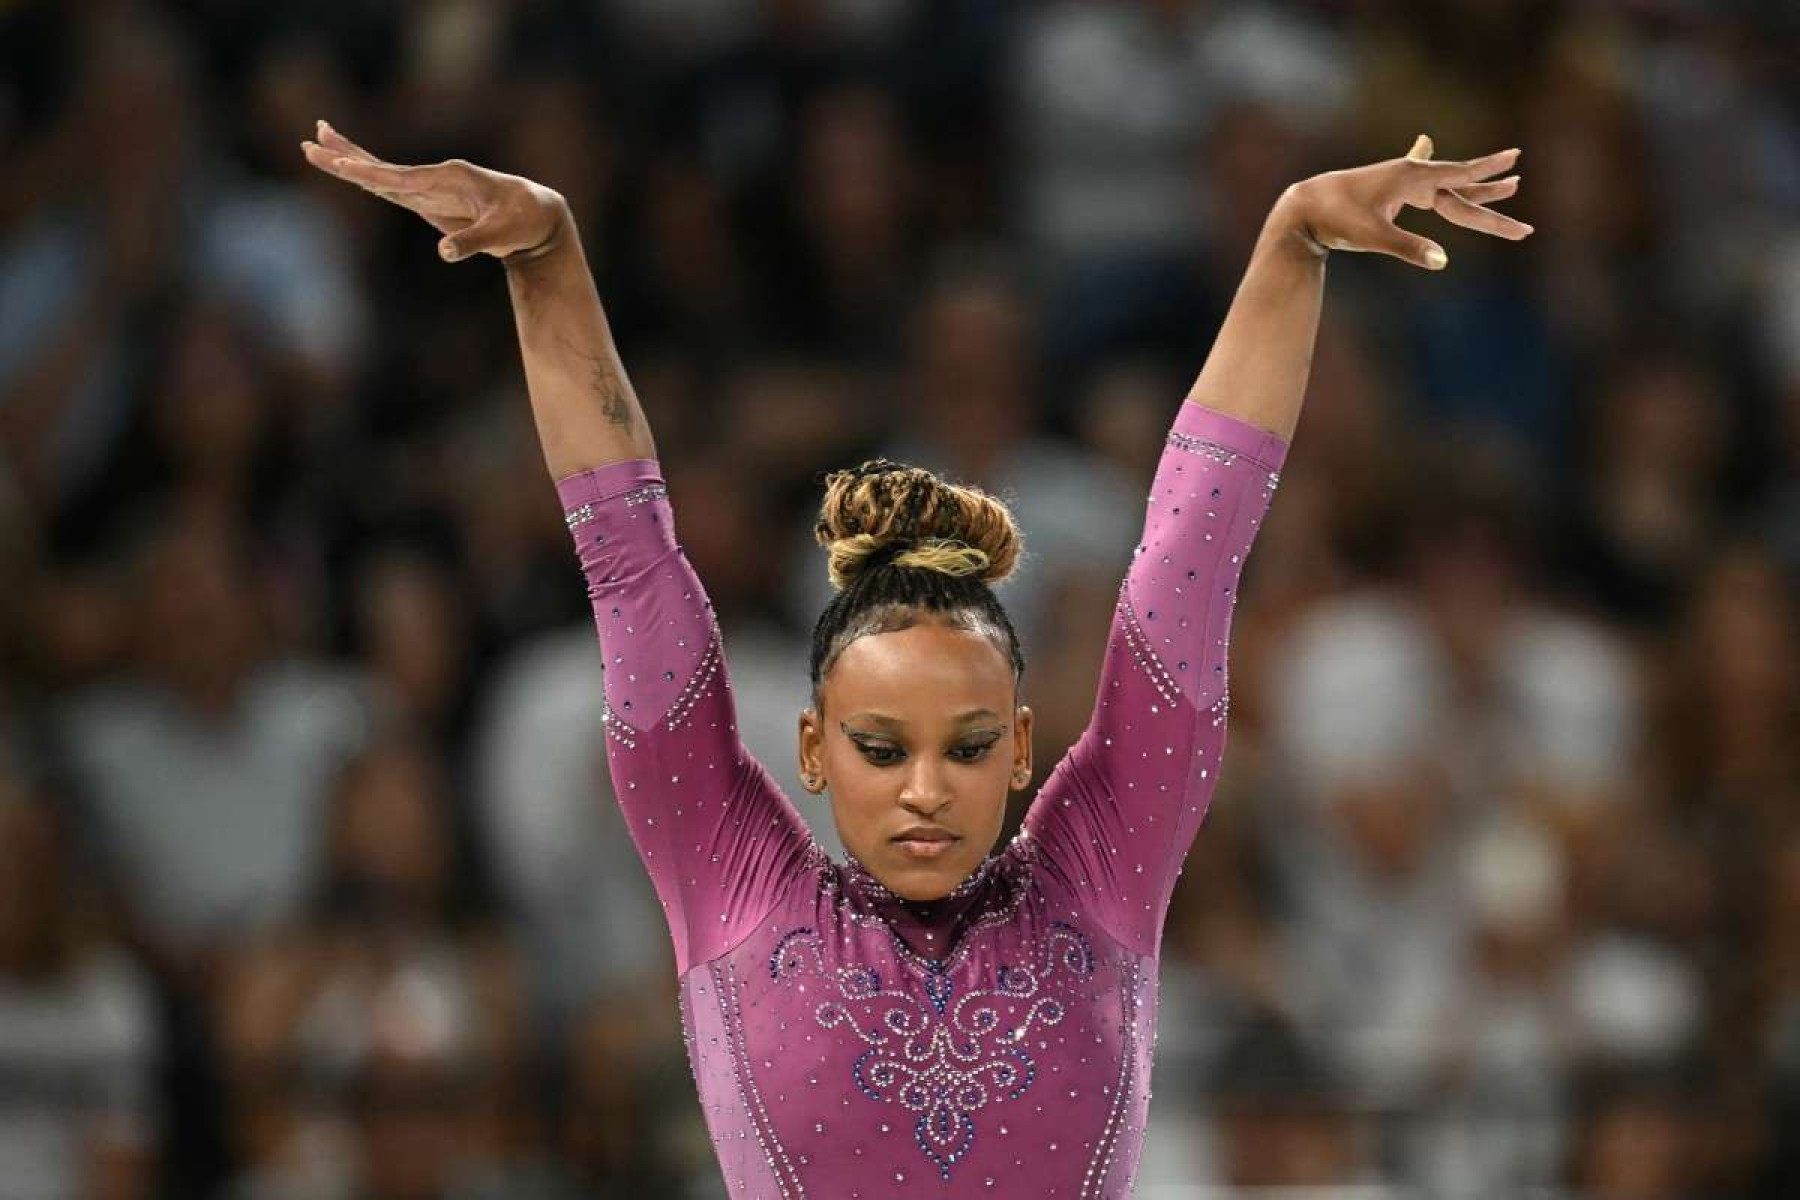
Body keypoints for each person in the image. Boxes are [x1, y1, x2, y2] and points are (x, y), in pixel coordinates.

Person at [302, 120, 1530, 1195]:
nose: (929, 790)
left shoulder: (1098, 877)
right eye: (882, 750)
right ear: (813, 749)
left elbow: (1188, 557)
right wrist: (548, 258)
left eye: (970, 745)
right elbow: (629, 559)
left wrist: (1290, 243)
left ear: (1026, 748)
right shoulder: (734, 885)